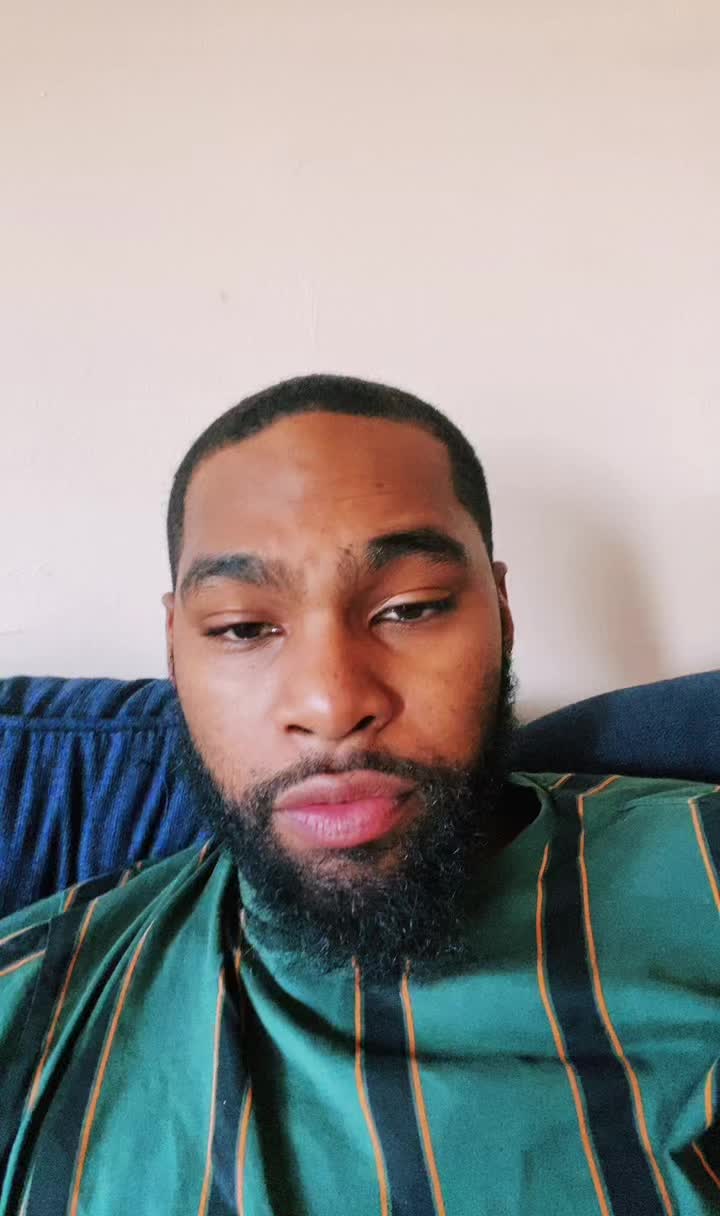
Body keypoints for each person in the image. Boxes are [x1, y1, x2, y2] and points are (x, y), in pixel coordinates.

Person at [0, 373, 718, 1216]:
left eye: (410, 609)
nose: (332, 702)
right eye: (242, 627)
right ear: (174, 649)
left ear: (502, 613)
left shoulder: (704, 878)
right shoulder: (29, 1003)